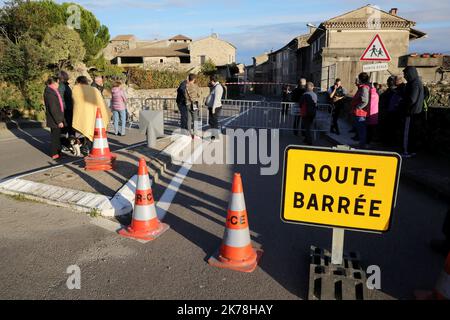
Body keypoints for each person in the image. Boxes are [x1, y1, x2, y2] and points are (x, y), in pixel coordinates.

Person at [72, 76, 111, 154]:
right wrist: (106, 112)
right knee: (94, 132)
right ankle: (91, 149)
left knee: (85, 132)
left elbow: (75, 102)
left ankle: (84, 146)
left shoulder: (76, 89)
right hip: (95, 115)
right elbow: (101, 103)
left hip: (83, 116)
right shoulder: (94, 89)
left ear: (78, 81)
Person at [401, 66, 424, 158]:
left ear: (409, 74)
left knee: (408, 133)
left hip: (411, 113)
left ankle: (406, 151)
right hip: (416, 112)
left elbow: (412, 99)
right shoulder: (417, 82)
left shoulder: (414, 84)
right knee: (413, 133)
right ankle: (412, 150)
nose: (404, 76)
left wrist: (403, 104)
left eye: (405, 74)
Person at [44, 76, 65, 160]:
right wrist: (59, 121)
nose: (58, 85)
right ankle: (54, 153)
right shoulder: (50, 92)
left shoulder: (53, 90)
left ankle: (59, 152)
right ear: (53, 83)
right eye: (57, 83)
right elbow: (53, 108)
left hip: (56, 117)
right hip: (54, 119)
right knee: (55, 137)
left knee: (57, 136)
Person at [351, 72, 371, 149]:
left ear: (360, 79)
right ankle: (361, 145)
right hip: (360, 113)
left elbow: (365, 101)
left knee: (362, 131)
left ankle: (362, 147)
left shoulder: (364, 88)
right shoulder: (363, 87)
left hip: (361, 113)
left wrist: (358, 107)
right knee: (361, 130)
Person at [205, 75, 223, 142]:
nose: (210, 82)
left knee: (214, 123)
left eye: (210, 80)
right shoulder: (215, 87)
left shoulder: (218, 87)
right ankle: (213, 136)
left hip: (215, 108)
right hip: (213, 107)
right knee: (212, 122)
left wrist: (213, 109)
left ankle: (215, 137)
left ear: (213, 80)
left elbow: (216, 99)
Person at [58, 71, 74, 138]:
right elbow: (60, 98)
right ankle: (64, 144)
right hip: (66, 110)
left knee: (68, 127)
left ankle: (68, 143)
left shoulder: (65, 85)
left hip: (67, 109)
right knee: (65, 128)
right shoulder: (62, 86)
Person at [184, 73, 201, 139]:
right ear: (194, 79)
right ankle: (195, 134)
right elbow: (199, 94)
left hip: (188, 103)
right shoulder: (196, 86)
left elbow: (185, 95)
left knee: (189, 119)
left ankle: (188, 134)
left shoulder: (186, 86)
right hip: (194, 104)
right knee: (195, 119)